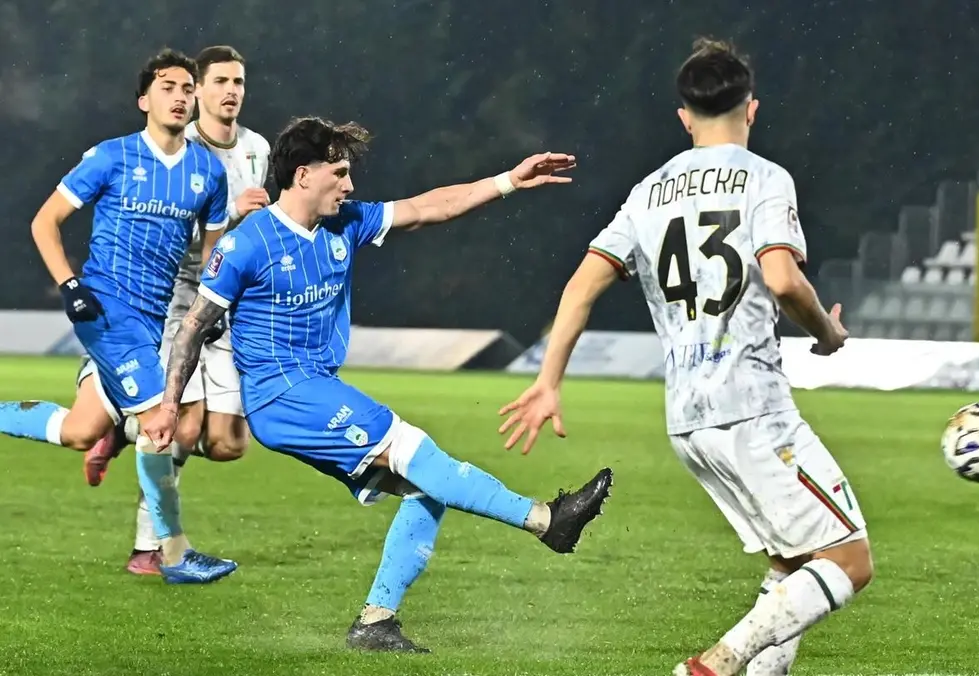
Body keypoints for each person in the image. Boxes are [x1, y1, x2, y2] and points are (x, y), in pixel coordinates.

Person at [144, 116, 612, 651]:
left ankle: (376, 621)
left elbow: (429, 207)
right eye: (339, 173)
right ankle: (547, 521)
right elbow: (193, 327)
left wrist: (508, 180)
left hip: (313, 387)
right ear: (302, 175)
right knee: (415, 449)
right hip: (283, 394)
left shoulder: (345, 223)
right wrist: (169, 406)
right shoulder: (248, 243)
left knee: (424, 488)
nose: (349, 185)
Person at [496, 38, 874, 676]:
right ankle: (714, 666)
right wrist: (828, 333)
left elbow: (581, 286)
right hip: (753, 409)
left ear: (683, 117)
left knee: (789, 563)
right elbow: (783, 280)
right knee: (848, 561)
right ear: (751, 109)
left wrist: (548, 380)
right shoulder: (765, 179)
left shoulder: (648, 192)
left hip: (687, 419)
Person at [0, 48, 238, 584]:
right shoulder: (112, 157)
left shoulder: (208, 172)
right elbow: (44, 222)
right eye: (167, 88)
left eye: (186, 89)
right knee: (159, 427)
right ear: (143, 100)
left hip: (154, 321)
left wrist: (214, 305)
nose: (179, 97)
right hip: (107, 310)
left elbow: (215, 251)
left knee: (80, 430)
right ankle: (172, 554)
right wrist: (70, 286)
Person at [83, 45, 272, 576]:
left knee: (228, 444)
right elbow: (167, 232)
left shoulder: (257, 148)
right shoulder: (177, 147)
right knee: (181, 429)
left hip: (228, 301)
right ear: (198, 91)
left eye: (238, 82)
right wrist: (232, 215)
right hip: (176, 296)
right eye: (219, 82)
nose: (230, 91)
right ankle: (150, 548)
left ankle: (123, 430)